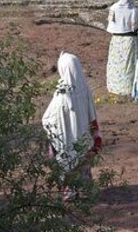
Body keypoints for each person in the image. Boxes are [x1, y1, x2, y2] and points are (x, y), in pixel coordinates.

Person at [41, 52, 102, 201]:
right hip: (83, 137)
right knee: (82, 163)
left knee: (66, 162)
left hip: (65, 138)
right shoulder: (85, 89)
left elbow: (48, 118)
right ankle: (85, 190)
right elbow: (92, 114)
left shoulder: (61, 93)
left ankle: (69, 192)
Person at [106, 0, 138, 95]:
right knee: (129, 64)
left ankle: (115, 86)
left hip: (116, 40)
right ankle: (128, 87)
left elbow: (111, 23)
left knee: (116, 63)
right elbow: (135, 26)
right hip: (129, 40)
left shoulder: (114, 8)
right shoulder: (134, 9)